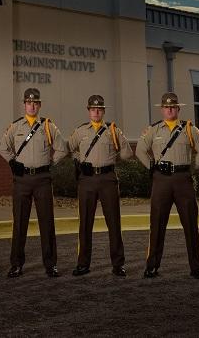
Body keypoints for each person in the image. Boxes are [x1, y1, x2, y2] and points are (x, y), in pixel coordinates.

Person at [136, 92, 199, 279]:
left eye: (173, 107)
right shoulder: (153, 130)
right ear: (162, 110)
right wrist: (152, 168)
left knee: (190, 224)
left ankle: (196, 267)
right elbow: (140, 150)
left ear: (178, 109)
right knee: (157, 224)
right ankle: (152, 265)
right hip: (161, 180)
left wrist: (191, 168)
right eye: (166, 107)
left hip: (183, 180)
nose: (169, 109)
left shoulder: (189, 129)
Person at [0, 87, 67, 278]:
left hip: (42, 180)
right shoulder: (15, 127)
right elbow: (4, 149)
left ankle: (50, 264)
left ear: (39, 105)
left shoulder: (48, 126)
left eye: (35, 103)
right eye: (29, 102)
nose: (32, 106)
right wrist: (13, 162)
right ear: (24, 105)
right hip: (21, 180)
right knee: (20, 223)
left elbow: (62, 149)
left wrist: (50, 163)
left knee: (47, 222)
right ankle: (16, 264)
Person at [66, 94, 133, 277]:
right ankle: (83, 264)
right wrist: (79, 160)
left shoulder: (113, 131)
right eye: (93, 109)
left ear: (103, 111)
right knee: (85, 224)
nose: (96, 112)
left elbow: (127, 153)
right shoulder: (80, 131)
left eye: (99, 109)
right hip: (87, 180)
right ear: (88, 111)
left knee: (113, 223)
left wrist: (111, 159)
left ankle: (118, 264)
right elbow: (69, 149)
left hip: (108, 179)